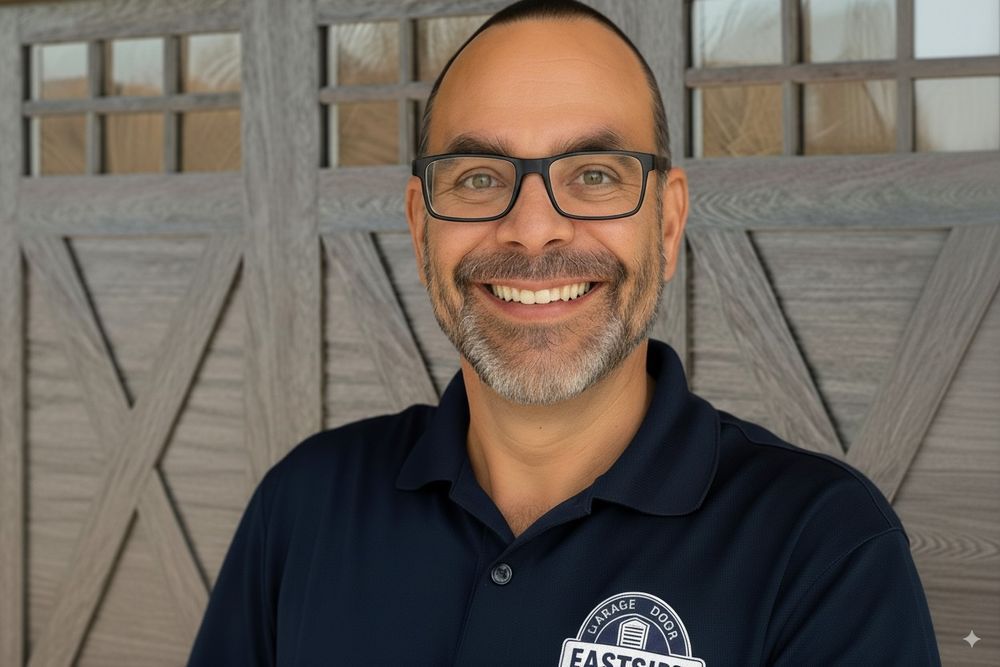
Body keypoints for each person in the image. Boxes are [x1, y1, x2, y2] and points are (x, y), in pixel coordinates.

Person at [188, 1, 941, 664]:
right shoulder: (303, 505)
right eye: (479, 178)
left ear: (667, 223)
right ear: (421, 228)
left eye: (595, 174)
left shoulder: (823, 548)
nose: (533, 228)